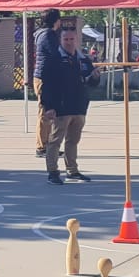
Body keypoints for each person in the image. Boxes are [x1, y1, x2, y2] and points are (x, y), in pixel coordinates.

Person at [37, 19, 94, 184]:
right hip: (61, 107)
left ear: (76, 39)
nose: (69, 42)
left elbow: (90, 81)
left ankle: (72, 171)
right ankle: (53, 172)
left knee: (73, 141)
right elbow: (46, 86)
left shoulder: (83, 59)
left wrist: (95, 77)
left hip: (79, 106)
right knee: (55, 141)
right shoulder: (54, 60)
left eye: (71, 39)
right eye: (66, 40)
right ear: (60, 41)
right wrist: (48, 106)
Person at [30, 8, 62, 156]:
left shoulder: (42, 34)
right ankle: (41, 147)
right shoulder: (48, 35)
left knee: (49, 112)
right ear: (56, 21)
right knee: (44, 112)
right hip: (45, 77)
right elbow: (55, 54)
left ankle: (48, 145)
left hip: (45, 76)